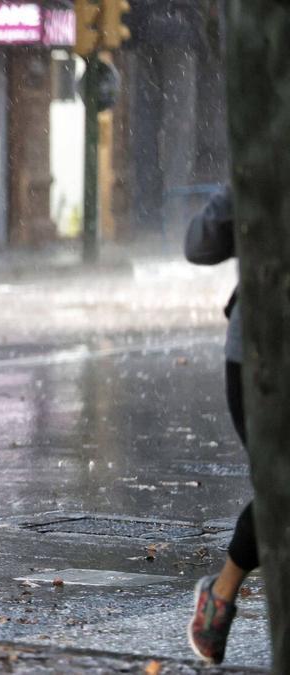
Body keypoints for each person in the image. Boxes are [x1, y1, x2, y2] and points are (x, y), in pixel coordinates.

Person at [185, 185, 254, 665]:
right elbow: (200, 244)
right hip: (260, 360)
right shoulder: (268, 164)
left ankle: (225, 588)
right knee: (283, 488)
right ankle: (224, 587)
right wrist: (242, 193)